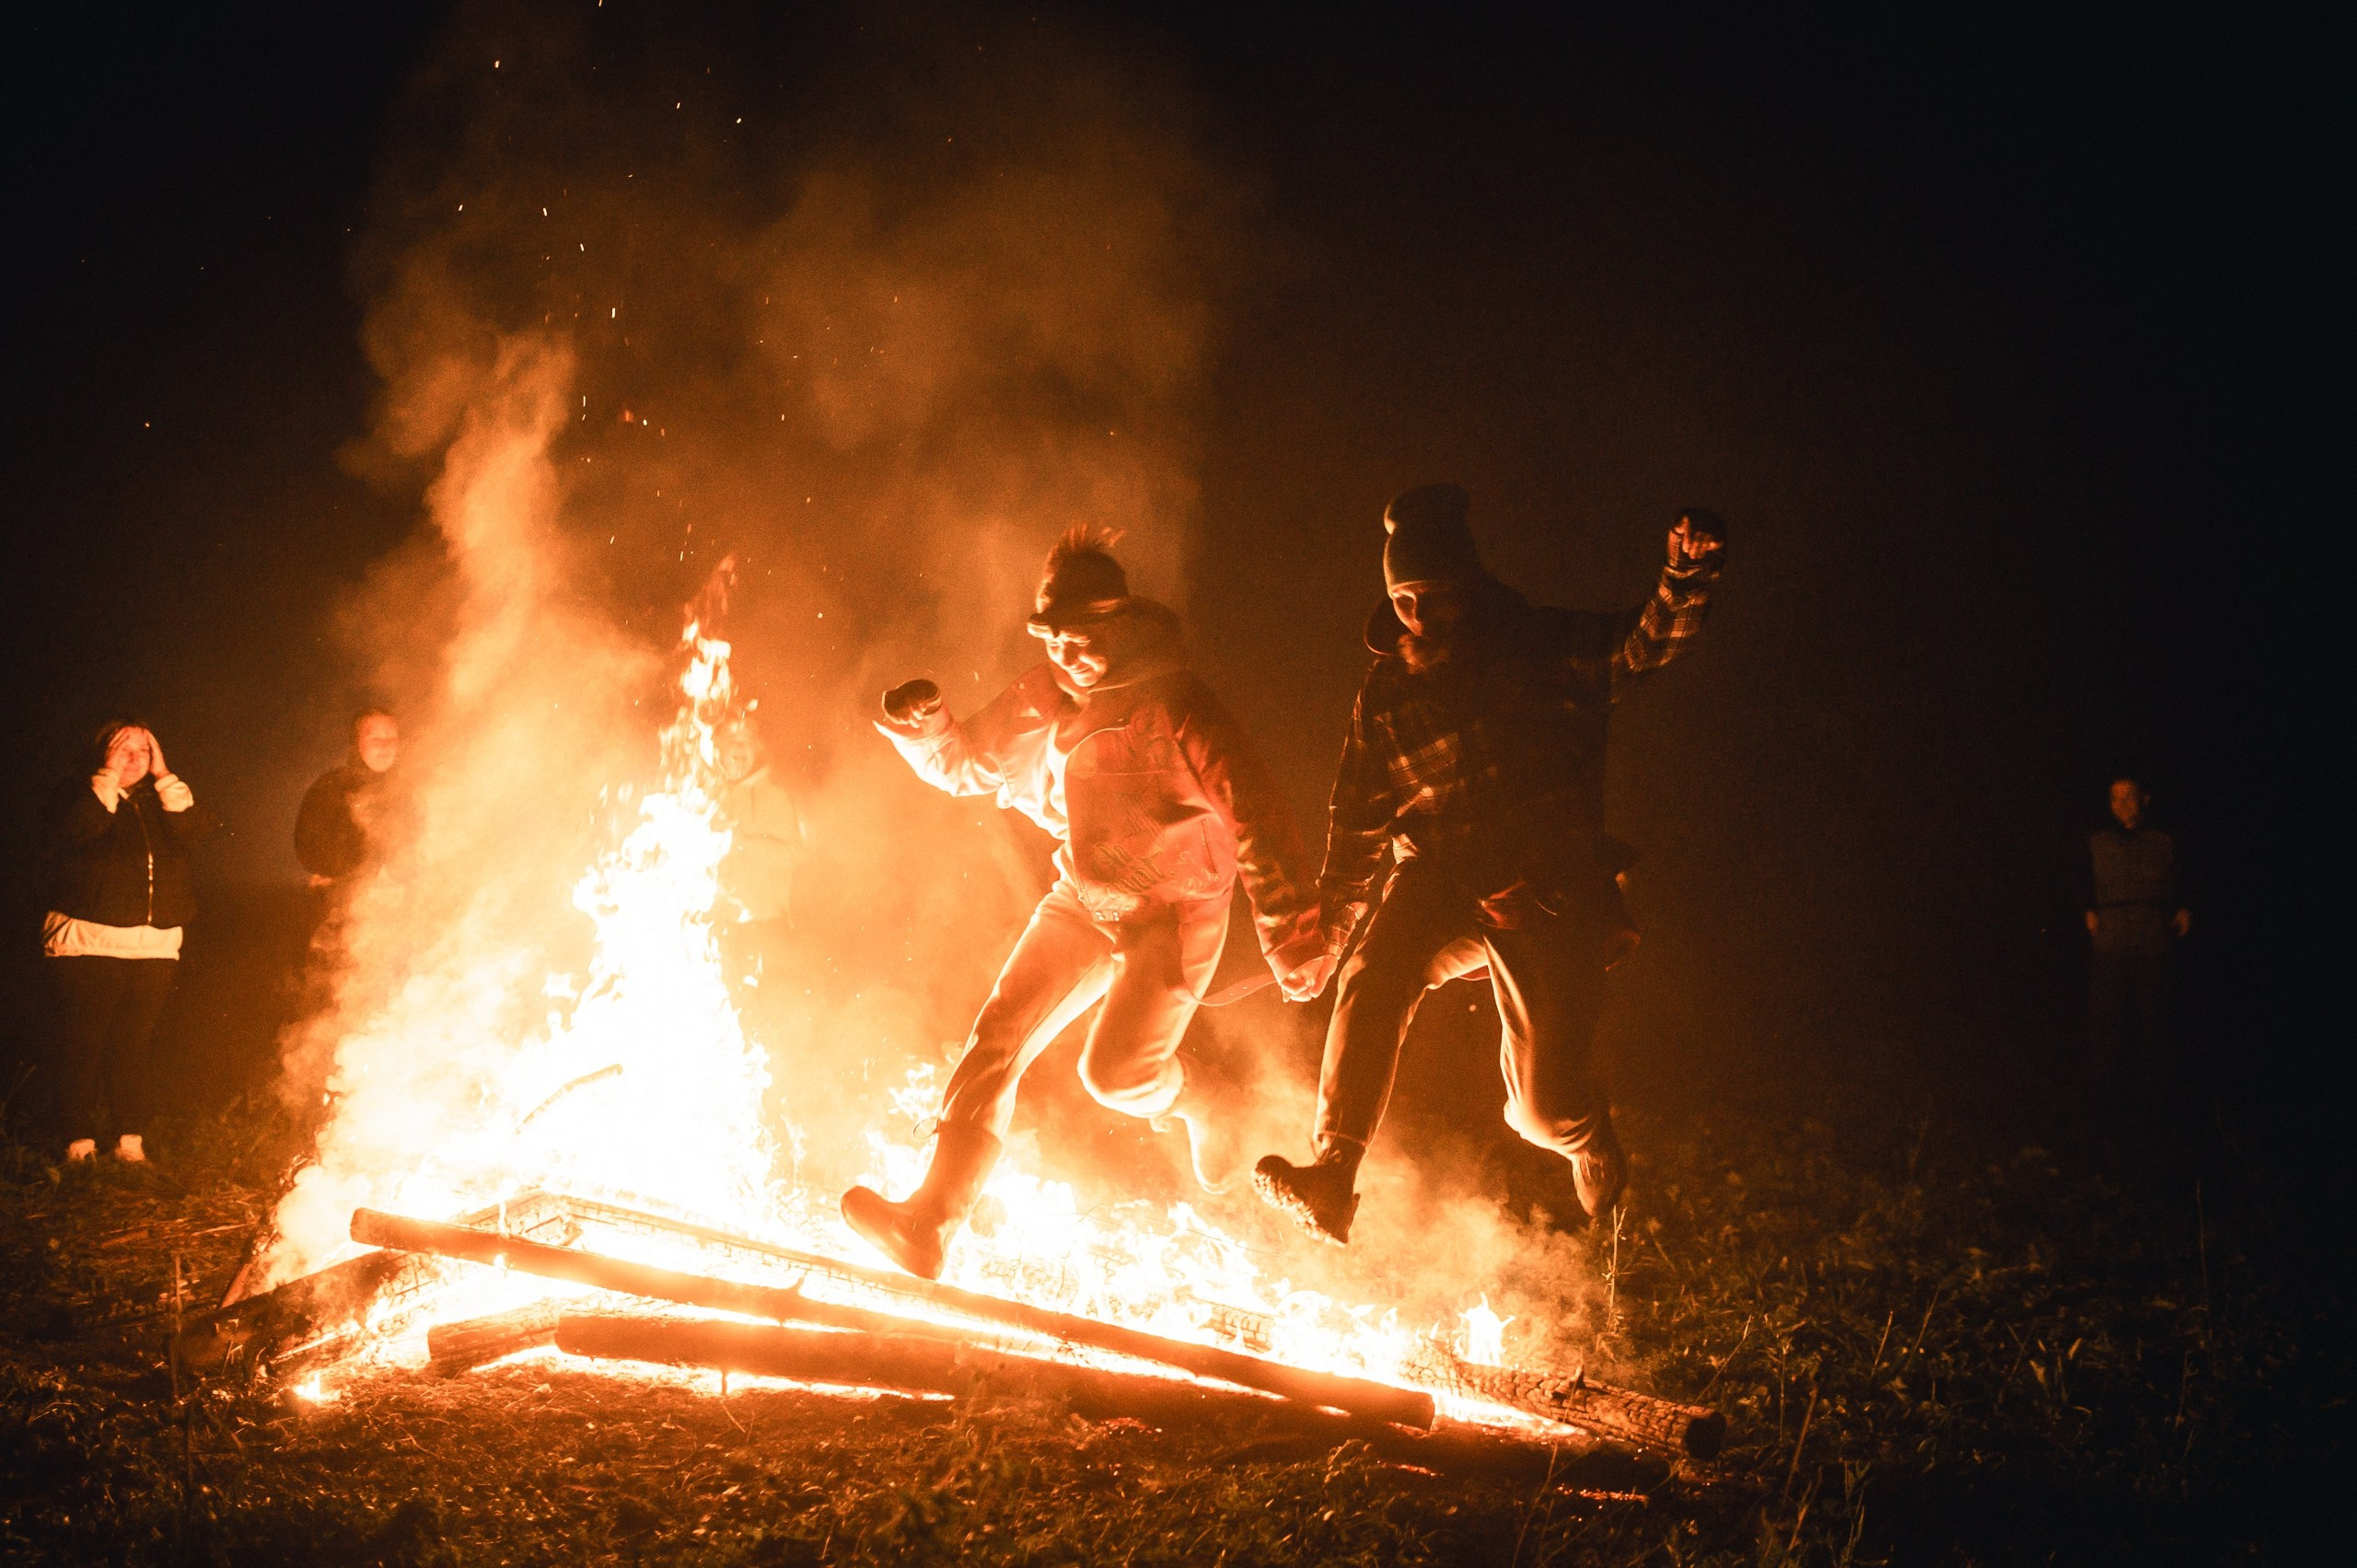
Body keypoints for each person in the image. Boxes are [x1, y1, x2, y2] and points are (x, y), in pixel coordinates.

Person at [842, 525, 1327, 1279]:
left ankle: (1204, 1100)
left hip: (1175, 912)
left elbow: (1256, 813)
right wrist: (925, 725)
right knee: (999, 1034)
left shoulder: (1178, 705)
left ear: (1122, 624)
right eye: (1054, 640)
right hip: (1085, 896)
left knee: (1115, 1075)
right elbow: (971, 765)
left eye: (1082, 638)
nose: (1066, 655)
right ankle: (931, 1220)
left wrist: (1293, 933)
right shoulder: (1046, 698)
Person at [1255, 484, 1724, 1244]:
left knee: (1540, 1110)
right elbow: (1357, 820)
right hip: (1437, 880)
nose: (1418, 614)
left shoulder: (1542, 650)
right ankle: (1333, 1173)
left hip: (1546, 891)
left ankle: (1585, 1134)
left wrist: (1685, 578)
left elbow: (1644, 644)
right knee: (1373, 973)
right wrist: (1328, 930)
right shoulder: (1386, 693)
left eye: (1432, 595)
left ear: (1469, 584)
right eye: (1403, 598)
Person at [39, 721, 215, 1166]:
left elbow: (194, 834)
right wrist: (107, 779)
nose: (135, 758)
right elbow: (70, 833)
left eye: (144, 750)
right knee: (83, 1042)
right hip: (89, 941)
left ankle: (129, 1142)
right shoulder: (75, 795)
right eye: (124, 749)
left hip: (153, 946)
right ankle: (77, 1142)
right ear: (102, 752)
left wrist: (165, 778)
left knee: (134, 1045)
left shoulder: (161, 803)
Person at [2084, 776, 2189, 1103]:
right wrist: (2085, 907)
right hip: (2111, 940)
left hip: (2153, 938)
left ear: (2144, 799)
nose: (2121, 804)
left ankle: (2160, 1093)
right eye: (2115, 798)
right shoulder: (2097, 839)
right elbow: (2077, 874)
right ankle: (2104, 1090)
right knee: (2106, 1019)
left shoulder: (2165, 838)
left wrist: (2186, 906)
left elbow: (2186, 873)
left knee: (2156, 1019)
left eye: (2128, 797)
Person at [714, 711, 806, 988]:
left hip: (765, 928)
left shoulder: (775, 797)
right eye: (732, 739)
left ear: (757, 749)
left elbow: (791, 857)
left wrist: (742, 843)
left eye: (747, 740)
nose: (739, 747)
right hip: (713, 930)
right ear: (716, 747)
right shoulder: (699, 794)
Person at [295, 707, 403, 900]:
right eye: (376, 740)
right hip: (349, 906)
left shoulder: (408, 791)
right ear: (357, 743)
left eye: (392, 740)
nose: (385, 747)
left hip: (408, 906)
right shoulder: (332, 789)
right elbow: (310, 848)